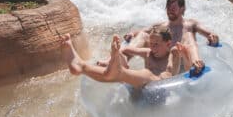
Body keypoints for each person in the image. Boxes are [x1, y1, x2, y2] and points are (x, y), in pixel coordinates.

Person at [98, 0, 219, 73]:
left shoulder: (191, 24)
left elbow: (210, 34)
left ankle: (196, 62)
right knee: (143, 35)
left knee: (188, 36)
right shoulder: (161, 26)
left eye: (173, 9)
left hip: (181, 64)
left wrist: (213, 38)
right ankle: (115, 60)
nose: (169, 12)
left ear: (182, 9)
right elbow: (143, 31)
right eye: (168, 9)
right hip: (162, 62)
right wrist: (132, 33)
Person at [60, 26, 191, 88]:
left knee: (144, 74)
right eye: (151, 44)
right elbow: (127, 49)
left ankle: (83, 66)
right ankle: (82, 66)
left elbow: (188, 68)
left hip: (159, 87)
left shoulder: (173, 52)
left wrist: (186, 55)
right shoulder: (148, 52)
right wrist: (116, 55)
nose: (153, 48)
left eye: (157, 44)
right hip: (142, 85)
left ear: (168, 43)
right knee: (116, 69)